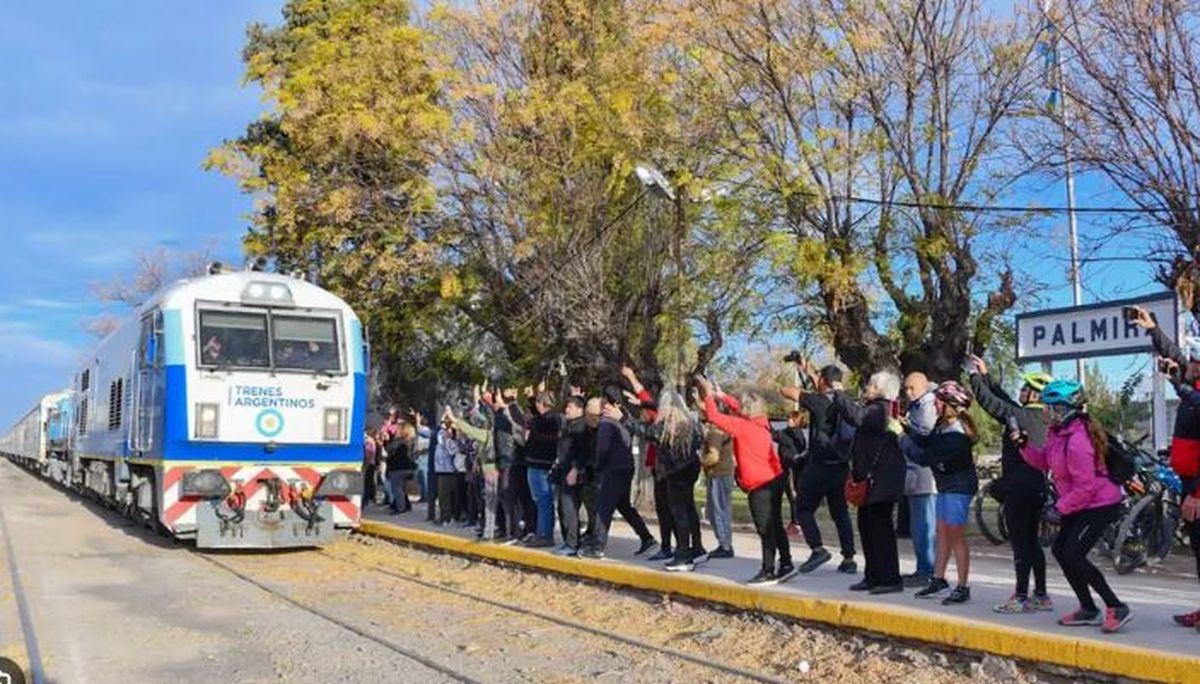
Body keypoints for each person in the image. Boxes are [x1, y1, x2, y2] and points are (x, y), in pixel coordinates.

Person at [1014, 380, 1132, 633]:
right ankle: (1088, 609)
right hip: (1080, 502)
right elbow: (1045, 461)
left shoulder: (1078, 440)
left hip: (1100, 503)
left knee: (1073, 554)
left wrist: (1059, 508)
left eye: (1051, 408)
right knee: (1060, 550)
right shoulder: (1058, 434)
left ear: (1066, 410)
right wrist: (1024, 446)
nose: (1046, 412)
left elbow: (1086, 487)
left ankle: (1116, 606)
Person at [968, 358, 1054, 614]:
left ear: (1034, 393)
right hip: (1038, 488)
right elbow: (1007, 402)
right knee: (1033, 543)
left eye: (1024, 388)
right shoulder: (1039, 418)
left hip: (1018, 490)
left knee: (1020, 544)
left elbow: (992, 404)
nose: (1020, 391)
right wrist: (987, 376)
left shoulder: (1020, 416)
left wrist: (974, 377)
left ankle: (1020, 597)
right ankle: (1041, 594)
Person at [1131, 306, 1200, 627]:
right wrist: (1152, 329)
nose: (1185, 363)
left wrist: (1196, 494)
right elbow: (1176, 357)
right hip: (1188, 481)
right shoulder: (1191, 390)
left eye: (1192, 362)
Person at [698, 376, 795, 585]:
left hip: (760, 485)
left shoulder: (742, 427)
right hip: (775, 479)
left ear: (746, 410)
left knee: (765, 529)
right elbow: (740, 408)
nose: (737, 408)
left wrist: (707, 394)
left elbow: (713, 416)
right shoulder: (761, 421)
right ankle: (786, 563)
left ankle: (768, 570)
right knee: (775, 524)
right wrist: (721, 395)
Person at [831, 372, 905, 594]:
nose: (866, 387)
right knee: (866, 527)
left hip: (882, 480)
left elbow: (857, 417)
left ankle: (889, 578)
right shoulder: (874, 408)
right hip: (870, 479)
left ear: (882, 389)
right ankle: (872, 575)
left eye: (871, 384)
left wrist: (840, 394)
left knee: (880, 529)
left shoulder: (881, 409)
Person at [905, 381, 978, 605]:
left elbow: (924, 457)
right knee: (943, 534)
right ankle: (938, 579)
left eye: (938, 400)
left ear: (950, 405)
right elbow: (926, 440)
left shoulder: (956, 436)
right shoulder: (942, 426)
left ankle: (963, 587)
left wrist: (902, 439)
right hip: (946, 486)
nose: (934, 404)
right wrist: (907, 429)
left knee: (956, 537)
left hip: (959, 488)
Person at [625, 370, 706, 572]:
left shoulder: (666, 428)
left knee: (677, 512)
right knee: (688, 509)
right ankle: (696, 548)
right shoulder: (690, 424)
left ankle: (683, 553)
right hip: (689, 468)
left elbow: (645, 431)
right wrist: (643, 403)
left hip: (672, 472)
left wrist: (622, 418)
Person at [781, 363, 857, 575]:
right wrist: (812, 374)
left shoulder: (817, 401)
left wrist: (807, 387)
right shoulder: (846, 402)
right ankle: (849, 558)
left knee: (803, 509)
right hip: (841, 466)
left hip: (819, 466)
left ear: (823, 381)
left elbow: (786, 391)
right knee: (840, 514)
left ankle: (817, 548)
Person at [580, 395, 657, 559]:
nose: (587, 413)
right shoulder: (620, 421)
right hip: (626, 467)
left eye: (590, 409)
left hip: (613, 469)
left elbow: (603, 450)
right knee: (624, 507)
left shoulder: (605, 425)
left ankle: (597, 546)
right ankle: (647, 539)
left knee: (603, 507)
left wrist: (597, 468)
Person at [898, 373, 938, 588]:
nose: (908, 392)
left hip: (925, 476)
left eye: (912, 388)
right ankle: (923, 567)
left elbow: (925, 437)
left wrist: (903, 433)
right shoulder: (916, 406)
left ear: (923, 386)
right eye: (906, 388)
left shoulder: (928, 406)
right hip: (914, 475)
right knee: (917, 527)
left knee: (925, 527)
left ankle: (929, 570)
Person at [447, 397, 501, 541]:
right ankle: (487, 530)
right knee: (486, 502)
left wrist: (454, 419)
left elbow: (471, 430)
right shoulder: (489, 432)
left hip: (491, 470)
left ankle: (489, 533)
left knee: (490, 503)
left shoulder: (488, 433)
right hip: (486, 469)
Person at [523, 391, 562, 548]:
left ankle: (544, 535)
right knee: (542, 501)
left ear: (541, 404)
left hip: (541, 464)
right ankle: (542, 532)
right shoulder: (552, 419)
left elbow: (544, 438)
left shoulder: (547, 420)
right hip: (540, 464)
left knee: (543, 501)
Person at [554, 396, 591, 556]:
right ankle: (569, 540)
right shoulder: (570, 425)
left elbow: (584, 452)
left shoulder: (581, 427)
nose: (566, 410)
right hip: (564, 470)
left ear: (579, 409)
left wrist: (575, 469)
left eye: (569, 407)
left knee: (569, 507)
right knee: (563, 507)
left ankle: (572, 543)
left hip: (573, 473)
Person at [700, 406, 736, 559]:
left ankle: (724, 545)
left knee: (718, 511)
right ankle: (726, 543)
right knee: (724, 510)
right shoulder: (726, 429)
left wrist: (701, 461)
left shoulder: (715, 432)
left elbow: (713, 457)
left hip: (718, 475)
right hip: (726, 473)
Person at [773, 411, 808, 539]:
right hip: (787, 467)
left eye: (792, 419)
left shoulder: (794, 434)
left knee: (793, 495)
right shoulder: (788, 432)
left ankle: (797, 524)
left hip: (791, 469)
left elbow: (776, 436)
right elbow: (775, 435)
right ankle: (795, 522)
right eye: (789, 418)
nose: (789, 420)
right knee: (791, 495)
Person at [385, 422, 417, 514]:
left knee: (397, 488)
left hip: (397, 468)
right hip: (409, 468)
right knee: (403, 488)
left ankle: (400, 508)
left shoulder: (397, 442)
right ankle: (406, 505)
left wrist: (388, 440)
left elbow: (389, 452)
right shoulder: (412, 441)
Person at [434, 420, 462, 524]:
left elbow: (453, 451)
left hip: (449, 471)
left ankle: (447, 518)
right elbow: (439, 432)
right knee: (442, 497)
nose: (445, 432)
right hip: (441, 470)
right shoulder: (441, 439)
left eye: (448, 429)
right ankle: (443, 517)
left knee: (447, 497)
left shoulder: (451, 442)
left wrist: (448, 440)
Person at [362, 427, 380, 505]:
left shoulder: (368, 441)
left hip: (369, 464)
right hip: (371, 463)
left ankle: (368, 498)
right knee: (370, 482)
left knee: (368, 482)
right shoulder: (371, 441)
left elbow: (368, 453)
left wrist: (365, 464)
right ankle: (371, 497)